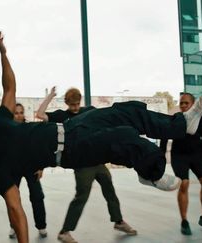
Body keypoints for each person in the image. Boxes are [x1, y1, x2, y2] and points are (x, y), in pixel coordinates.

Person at [0, 31, 202, 243]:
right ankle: (152, 171)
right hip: (70, 151)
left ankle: (181, 126)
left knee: (124, 112)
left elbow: (9, 87)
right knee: (124, 136)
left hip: (72, 126)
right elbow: (15, 208)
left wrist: (3, 54)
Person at [36, 87, 136, 243]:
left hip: (98, 160)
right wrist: (50, 96)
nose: (75, 108)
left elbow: (107, 119)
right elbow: (40, 114)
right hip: (82, 164)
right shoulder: (63, 116)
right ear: (67, 103)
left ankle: (118, 221)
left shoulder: (89, 111)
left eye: (76, 104)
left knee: (109, 189)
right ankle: (64, 231)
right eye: (71, 105)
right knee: (81, 196)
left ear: (80, 101)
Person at [160, 92, 202, 235]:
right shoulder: (175, 119)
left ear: (193, 104)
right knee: (184, 184)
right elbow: (164, 137)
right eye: (181, 103)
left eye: (186, 103)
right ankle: (184, 221)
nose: (183, 105)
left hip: (197, 155)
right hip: (179, 156)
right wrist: (161, 156)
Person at [8, 103, 48, 239]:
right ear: (12, 115)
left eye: (21, 112)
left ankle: (41, 226)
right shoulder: (7, 130)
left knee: (37, 196)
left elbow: (39, 147)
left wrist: (41, 167)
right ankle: (14, 226)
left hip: (32, 167)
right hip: (14, 169)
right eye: (16, 113)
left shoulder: (30, 128)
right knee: (13, 200)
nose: (19, 115)